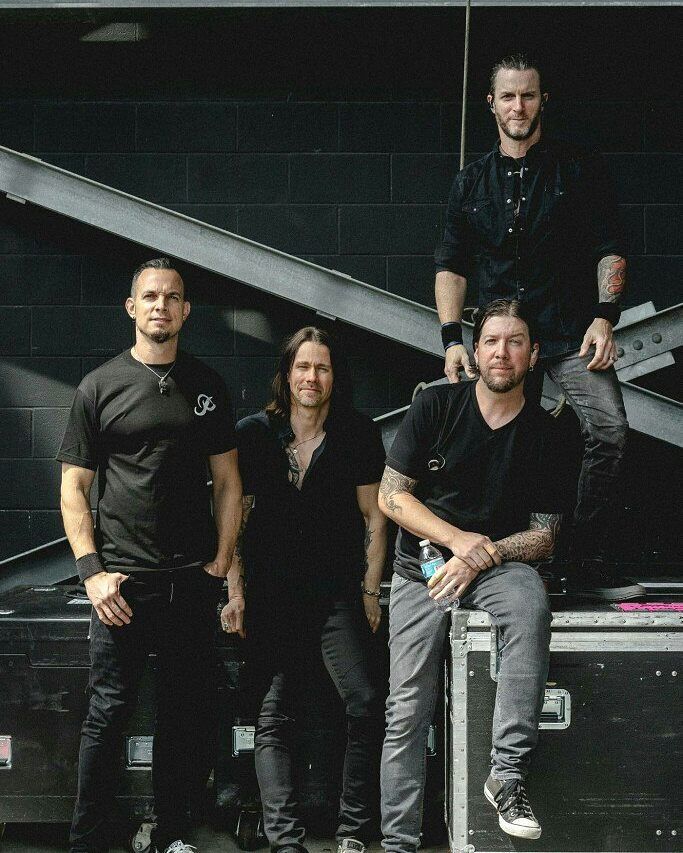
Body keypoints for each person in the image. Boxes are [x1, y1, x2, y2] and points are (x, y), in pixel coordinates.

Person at [434, 53, 639, 599]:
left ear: (542, 99)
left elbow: (610, 248)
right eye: (508, 96)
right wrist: (452, 338)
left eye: (528, 95)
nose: (518, 106)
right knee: (491, 442)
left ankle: (580, 553)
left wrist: (605, 317)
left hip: (570, 329)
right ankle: (502, 555)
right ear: (491, 103)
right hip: (502, 337)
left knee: (609, 433)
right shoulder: (469, 182)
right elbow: (450, 265)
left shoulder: (577, 168)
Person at [58, 258, 242, 853]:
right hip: (122, 588)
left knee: (183, 717)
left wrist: (220, 562)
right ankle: (88, 839)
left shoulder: (208, 386)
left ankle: (167, 834)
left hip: (188, 583)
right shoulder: (98, 387)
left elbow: (229, 483)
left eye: (172, 297)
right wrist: (92, 574)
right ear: (132, 308)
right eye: (150, 297)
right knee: (107, 717)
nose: (161, 306)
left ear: (185, 311)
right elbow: (74, 490)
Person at [379, 299, 565, 848]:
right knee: (407, 707)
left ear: (532, 355)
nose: (502, 352)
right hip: (424, 569)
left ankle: (506, 777)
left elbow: (545, 534)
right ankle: (398, 842)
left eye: (515, 342)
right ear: (474, 351)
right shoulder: (436, 406)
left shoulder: (551, 432)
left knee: (530, 606)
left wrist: (482, 556)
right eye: (491, 341)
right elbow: (392, 497)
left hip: (498, 565)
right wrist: (458, 542)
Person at [221, 326, 388, 853]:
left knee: (363, 703)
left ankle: (353, 834)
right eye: (302, 367)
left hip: (336, 594)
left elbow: (375, 520)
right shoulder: (253, 432)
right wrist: (236, 592)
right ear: (286, 374)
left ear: (334, 376)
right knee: (271, 715)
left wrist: (368, 592)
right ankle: (285, 842)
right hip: (270, 595)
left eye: (322, 367)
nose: (311, 377)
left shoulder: (357, 433)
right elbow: (234, 520)